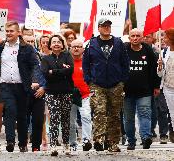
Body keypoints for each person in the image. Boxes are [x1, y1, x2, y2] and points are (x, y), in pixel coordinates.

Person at [0, 21, 40, 152]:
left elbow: (35, 65)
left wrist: (34, 80)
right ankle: (10, 141)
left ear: (18, 32)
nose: (8, 33)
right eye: (7, 31)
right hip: (6, 85)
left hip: (22, 86)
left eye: (11, 31)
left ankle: (23, 142)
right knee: (10, 112)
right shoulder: (1, 46)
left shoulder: (27, 48)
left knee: (22, 115)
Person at [82, 18, 129, 152]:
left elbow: (125, 63)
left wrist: (122, 80)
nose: (106, 28)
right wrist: (89, 80)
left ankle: (113, 143)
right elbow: (86, 64)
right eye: (103, 26)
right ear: (99, 28)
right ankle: (98, 140)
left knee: (114, 114)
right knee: (99, 111)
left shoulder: (118, 43)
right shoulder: (91, 44)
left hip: (115, 84)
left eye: (108, 25)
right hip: (97, 84)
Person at [123, 29, 160, 150]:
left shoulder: (148, 51)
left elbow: (154, 70)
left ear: (142, 37)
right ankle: (131, 141)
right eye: (132, 36)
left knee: (145, 115)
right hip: (126, 92)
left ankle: (145, 138)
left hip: (145, 91)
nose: (135, 38)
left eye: (137, 36)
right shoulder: (124, 51)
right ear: (129, 38)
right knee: (128, 118)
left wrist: (156, 86)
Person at [41, 35, 74, 156]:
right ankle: (53, 144)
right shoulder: (45, 59)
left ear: (62, 44)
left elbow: (70, 70)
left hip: (66, 91)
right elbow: (45, 73)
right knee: (54, 118)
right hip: (51, 92)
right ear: (50, 45)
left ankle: (66, 144)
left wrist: (53, 71)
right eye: (53, 42)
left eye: (58, 42)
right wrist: (61, 70)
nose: (56, 44)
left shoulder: (67, 56)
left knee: (65, 119)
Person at [23, 35, 46, 152]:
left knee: (38, 120)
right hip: (24, 92)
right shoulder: (17, 56)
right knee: (23, 120)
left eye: (32, 41)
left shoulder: (41, 57)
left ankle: (36, 146)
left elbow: (47, 74)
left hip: (39, 93)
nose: (31, 43)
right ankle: (23, 143)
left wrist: (43, 87)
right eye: (28, 41)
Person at [69, 39, 92, 151]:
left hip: (85, 95)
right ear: (70, 48)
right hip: (70, 95)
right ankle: (72, 142)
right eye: (74, 46)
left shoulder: (88, 62)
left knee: (86, 116)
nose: (76, 48)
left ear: (83, 49)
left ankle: (86, 140)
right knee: (70, 120)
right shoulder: (66, 62)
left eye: (79, 46)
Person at [158, 28, 174, 143]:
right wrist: (159, 67)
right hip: (168, 87)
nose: (163, 39)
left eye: (165, 37)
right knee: (172, 114)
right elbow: (160, 74)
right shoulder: (164, 52)